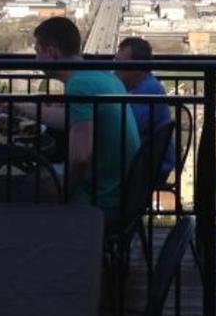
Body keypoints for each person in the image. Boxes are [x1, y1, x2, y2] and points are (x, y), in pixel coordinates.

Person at [25, 16, 141, 214]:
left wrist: (64, 191)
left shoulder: (80, 85)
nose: (35, 59)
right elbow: (73, 121)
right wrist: (23, 106)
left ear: (51, 52)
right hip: (123, 192)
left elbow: (80, 157)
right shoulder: (101, 76)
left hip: (99, 199)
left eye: (37, 51)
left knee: (20, 185)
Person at [114, 36, 176, 182]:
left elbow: (126, 127)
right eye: (116, 61)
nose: (116, 69)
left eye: (121, 64)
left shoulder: (149, 90)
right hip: (143, 160)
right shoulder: (137, 86)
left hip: (150, 167)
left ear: (138, 67)